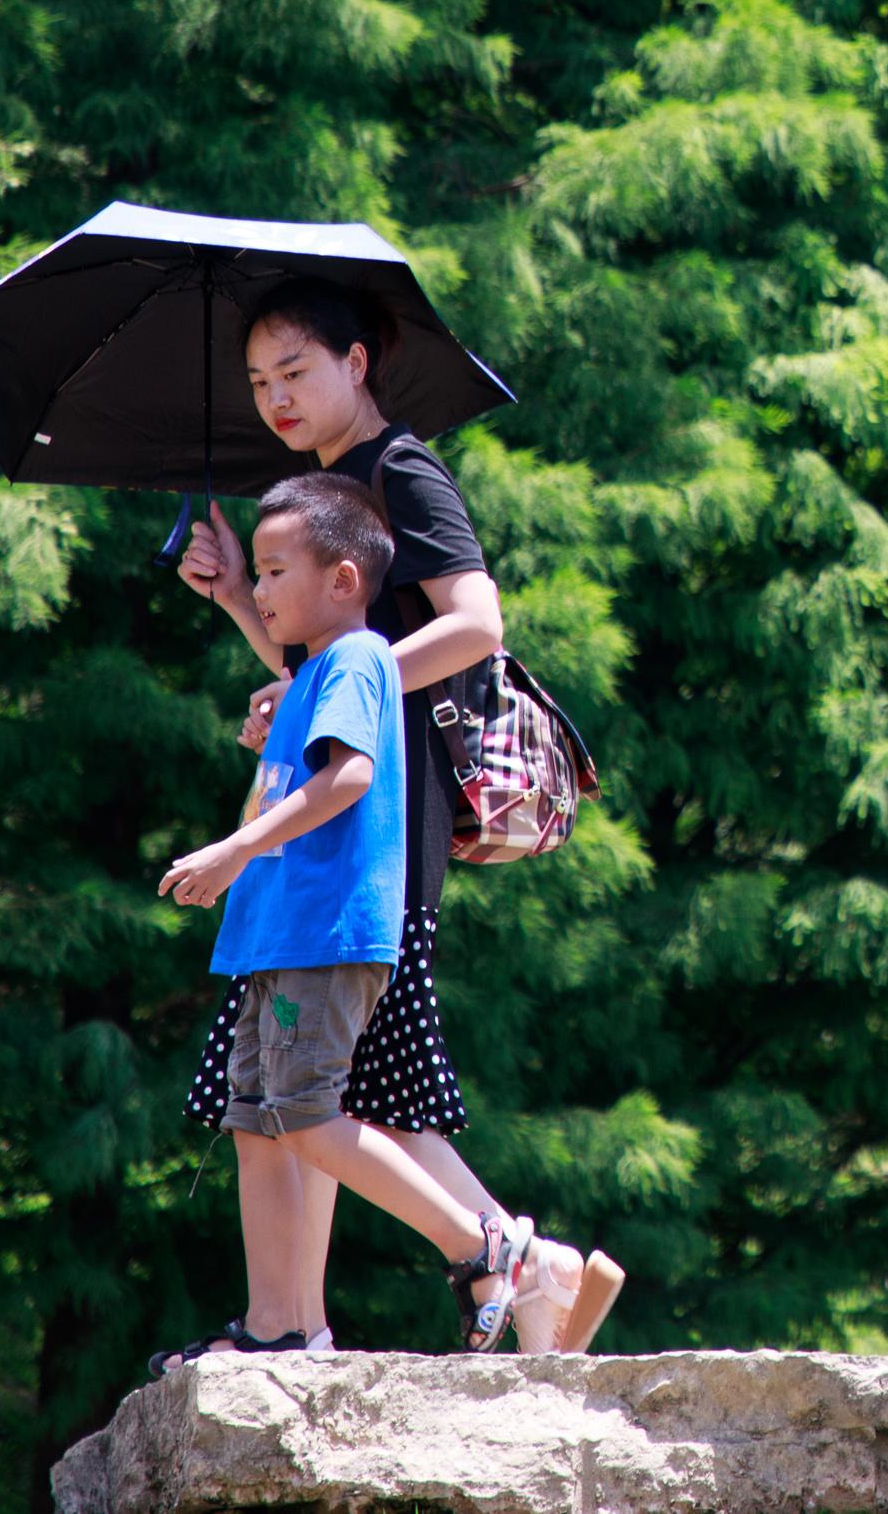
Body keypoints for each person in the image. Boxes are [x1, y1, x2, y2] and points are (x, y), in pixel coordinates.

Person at [174, 277, 625, 1354]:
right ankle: (505, 1274)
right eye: (257, 382)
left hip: (381, 818)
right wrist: (242, 594)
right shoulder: (324, 495)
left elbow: (475, 626)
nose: (275, 397)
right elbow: (323, 670)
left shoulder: (399, 471)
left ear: (356, 364)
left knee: (317, 1087)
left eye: (296, 371)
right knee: (363, 1092)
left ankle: (463, 1272)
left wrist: (343, 684)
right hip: (342, 810)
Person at [153, 474, 547, 1365]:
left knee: (306, 1109)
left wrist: (232, 849)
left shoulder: (361, 656)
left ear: (341, 579)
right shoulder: (315, 673)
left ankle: (475, 1241)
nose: (261, 587)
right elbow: (303, 762)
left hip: (327, 934)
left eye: (274, 569)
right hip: (276, 932)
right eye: (256, 570)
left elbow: (350, 779)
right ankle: (276, 1326)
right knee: (253, 1118)